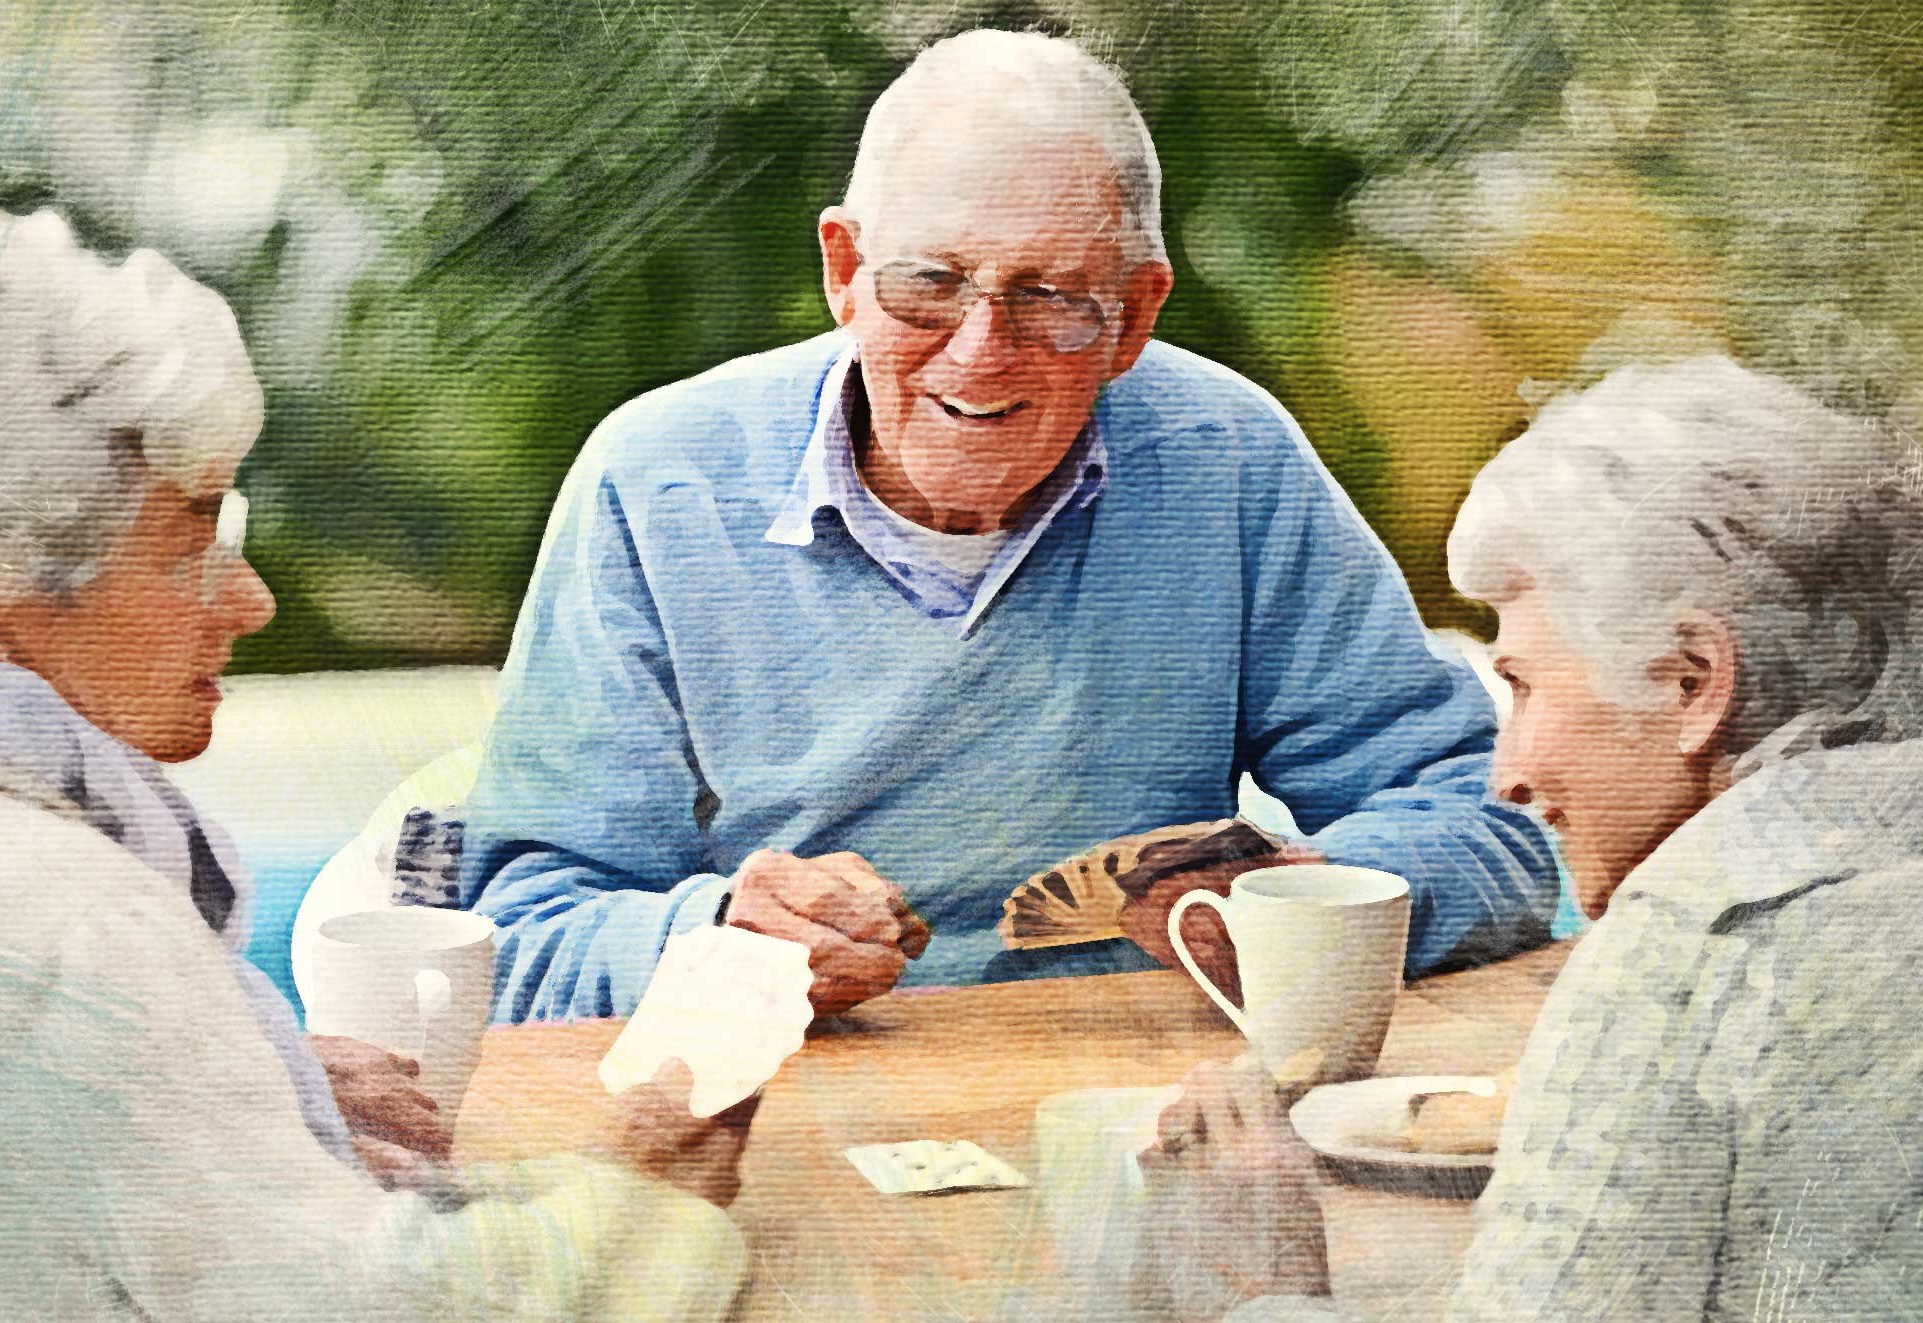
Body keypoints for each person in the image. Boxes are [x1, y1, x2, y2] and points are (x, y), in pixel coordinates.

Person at [461, 27, 1562, 1024]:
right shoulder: (659, 481)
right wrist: (707, 944)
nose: (979, 351)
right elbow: (516, 932)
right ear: (844, 272)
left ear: (1133, 314)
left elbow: (1492, 819)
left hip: (1137, 1100)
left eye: (1051, 297)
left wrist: (1304, 900)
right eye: (927, 285)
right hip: (777, 1089)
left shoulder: (1224, 461)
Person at [0, 205, 751, 1319]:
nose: (251, 600)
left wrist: (237, 1082)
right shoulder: (66, 921)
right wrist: (635, 1195)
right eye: (186, 548)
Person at [1134, 357, 1923, 1321]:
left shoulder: (1691, 950)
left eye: (1524, 686)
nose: (1505, 771)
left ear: (1692, 681)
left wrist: (1259, 1288)